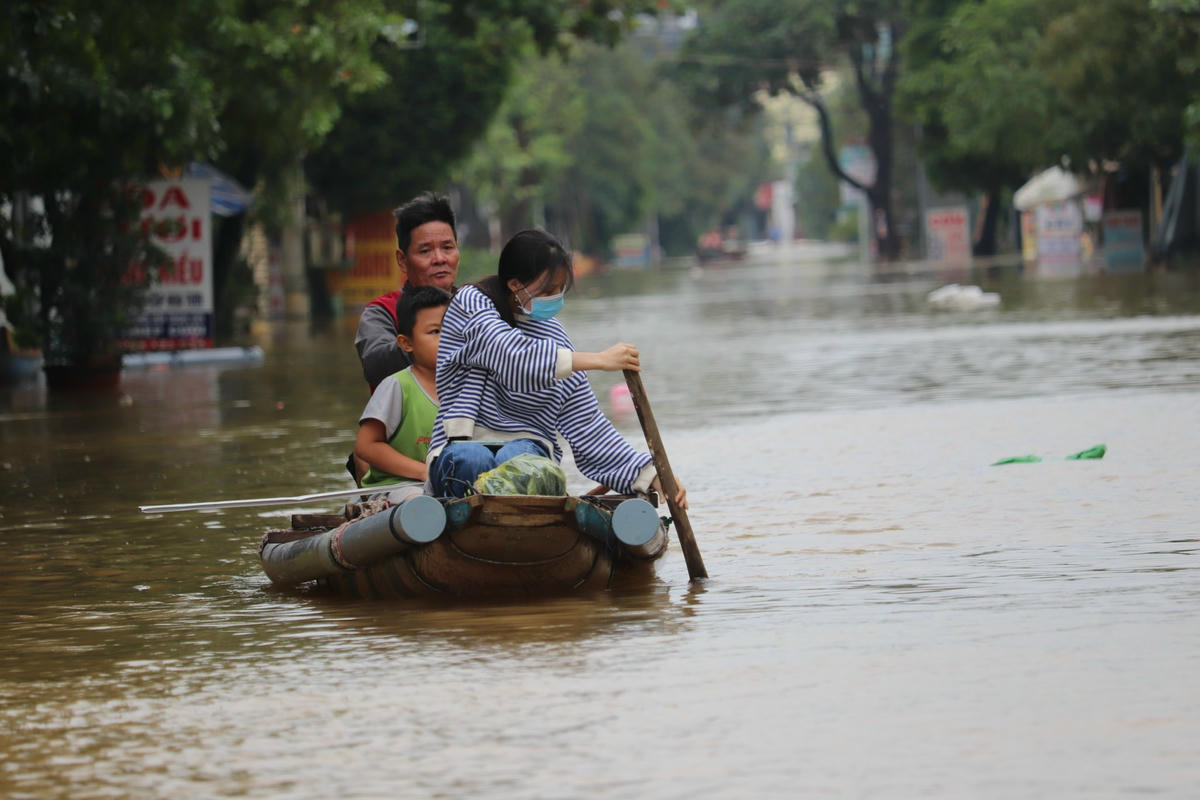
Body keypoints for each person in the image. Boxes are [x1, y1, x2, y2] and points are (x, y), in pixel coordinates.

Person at [427, 229, 687, 509]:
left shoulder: (556, 337)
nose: (555, 298)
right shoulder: (471, 303)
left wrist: (652, 475)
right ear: (515, 284)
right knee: (471, 459)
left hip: (528, 449)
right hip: (463, 443)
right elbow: (511, 355)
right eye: (547, 290)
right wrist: (598, 359)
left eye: (559, 290)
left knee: (518, 461)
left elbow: (587, 426)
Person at [354, 286, 451, 503]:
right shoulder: (396, 386)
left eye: (452, 328)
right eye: (435, 331)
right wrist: (423, 472)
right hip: (399, 487)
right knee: (418, 500)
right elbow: (366, 446)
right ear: (406, 343)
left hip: (449, 483)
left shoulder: (466, 386)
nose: (447, 338)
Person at [355, 191, 460, 393]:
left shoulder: (478, 305)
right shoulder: (381, 312)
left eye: (447, 247)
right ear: (402, 260)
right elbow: (375, 366)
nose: (439, 259)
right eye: (425, 251)